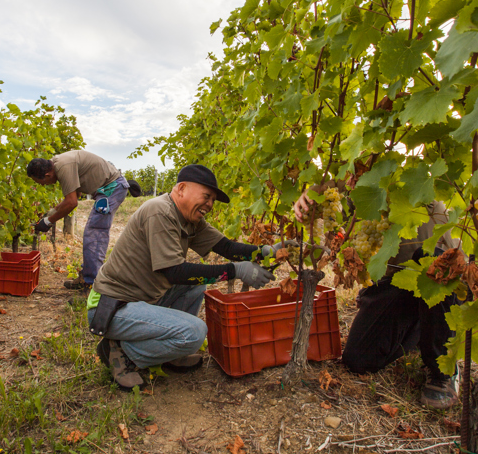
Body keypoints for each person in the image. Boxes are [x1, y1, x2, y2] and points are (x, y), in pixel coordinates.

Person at [86, 165, 296, 391]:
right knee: (194, 333)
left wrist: (268, 252)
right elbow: (174, 271)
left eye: (213, 200)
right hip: (111, 307)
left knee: (196, 287)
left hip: (140, 300)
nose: (210, 204)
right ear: (182, 189)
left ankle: (169, 352)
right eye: (206, 196)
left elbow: (226, 247)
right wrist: (235, 270)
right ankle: (122, 353)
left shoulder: (188, 219)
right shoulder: (159, 211)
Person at [294, 190, 460, 409]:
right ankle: (421, 327)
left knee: (430, 258)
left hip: (438, 277)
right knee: (358, 360)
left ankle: (443, 371)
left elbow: (458, 260)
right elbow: (335, 185)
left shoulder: (422, 192)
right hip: (397, 282)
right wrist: (311, 192)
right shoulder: (364, 195)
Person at [27, 150, 131, 290]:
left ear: (47, 175)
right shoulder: (57, 164)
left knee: (94, 234)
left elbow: (72, 203)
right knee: (92, 233)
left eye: (40, 182)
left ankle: (92, 286)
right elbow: (76, 193)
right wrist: (52, 212)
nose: (42, 185)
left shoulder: (63, 167)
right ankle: (87, 277)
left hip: (111, 189)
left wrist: (48, 222)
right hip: (108, 187)